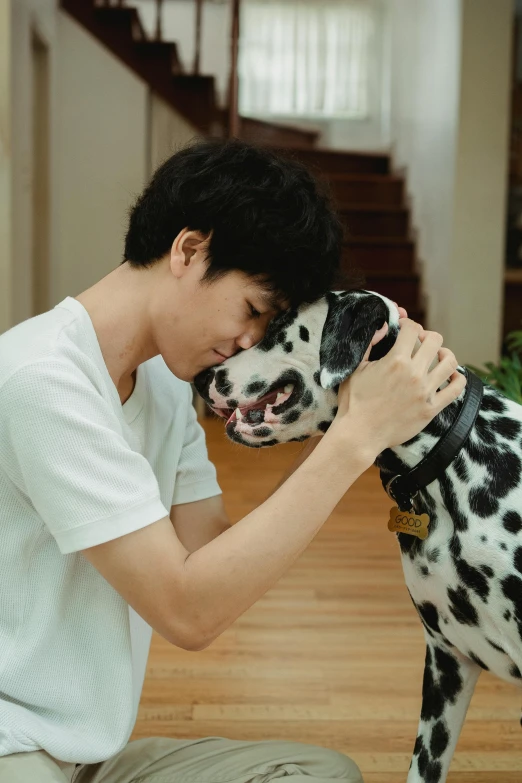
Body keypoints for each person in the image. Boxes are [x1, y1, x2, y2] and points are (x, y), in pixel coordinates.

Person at [0, 138, 465, 783]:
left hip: (89, 757)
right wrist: (356, 438)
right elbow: (188, 611)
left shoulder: (161, 384)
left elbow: (212, 563)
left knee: (323, 773)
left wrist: (335, 414)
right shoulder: (41, 378)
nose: (249, 342)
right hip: (12, 748)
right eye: (252, 310)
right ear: (188, 251)